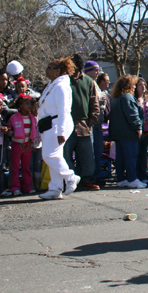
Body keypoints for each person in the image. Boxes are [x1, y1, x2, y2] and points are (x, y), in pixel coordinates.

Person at [38, 57, 79, 200]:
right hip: (48, 124)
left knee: (49, 155)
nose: (47, 69)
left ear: (58, 71)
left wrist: (61, 131)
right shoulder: (52, 84)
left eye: (50, 67)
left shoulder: (61, 86)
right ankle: (55, 188)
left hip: (57, 124)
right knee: (55, 156)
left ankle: (70, 176)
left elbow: (64, 110)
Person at [64, 55, 100, 191]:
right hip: (67, 124)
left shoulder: (89, 81)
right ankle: (69, 180)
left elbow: (94, 103)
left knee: (87, 156)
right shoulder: (64, 81)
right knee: (66, 155)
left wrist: (91, 121)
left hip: (84, 125)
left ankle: (87, 179)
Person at [108, 74, 144, 188]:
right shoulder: (128, 97)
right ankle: (132, 178)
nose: (134, 87)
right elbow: (132, 114)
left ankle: (121, 178)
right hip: (128, 133)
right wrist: (138, 127)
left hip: (118, 133)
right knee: (131, 156)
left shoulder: (115, 98)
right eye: (133, 85)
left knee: (120, 157)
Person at [7, 95, 38, 195]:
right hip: (17, 144)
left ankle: (26, 186)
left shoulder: (32, 118)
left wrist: (33, 143)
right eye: (26, 103)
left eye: (30, 103)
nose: (29, 106)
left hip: (27, 145)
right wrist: (12, 133)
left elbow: (34, 130)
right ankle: (15, 187)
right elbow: (9, 129)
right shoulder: (14, 118)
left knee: (26, 167)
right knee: (15, 167)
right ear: (20, 105)